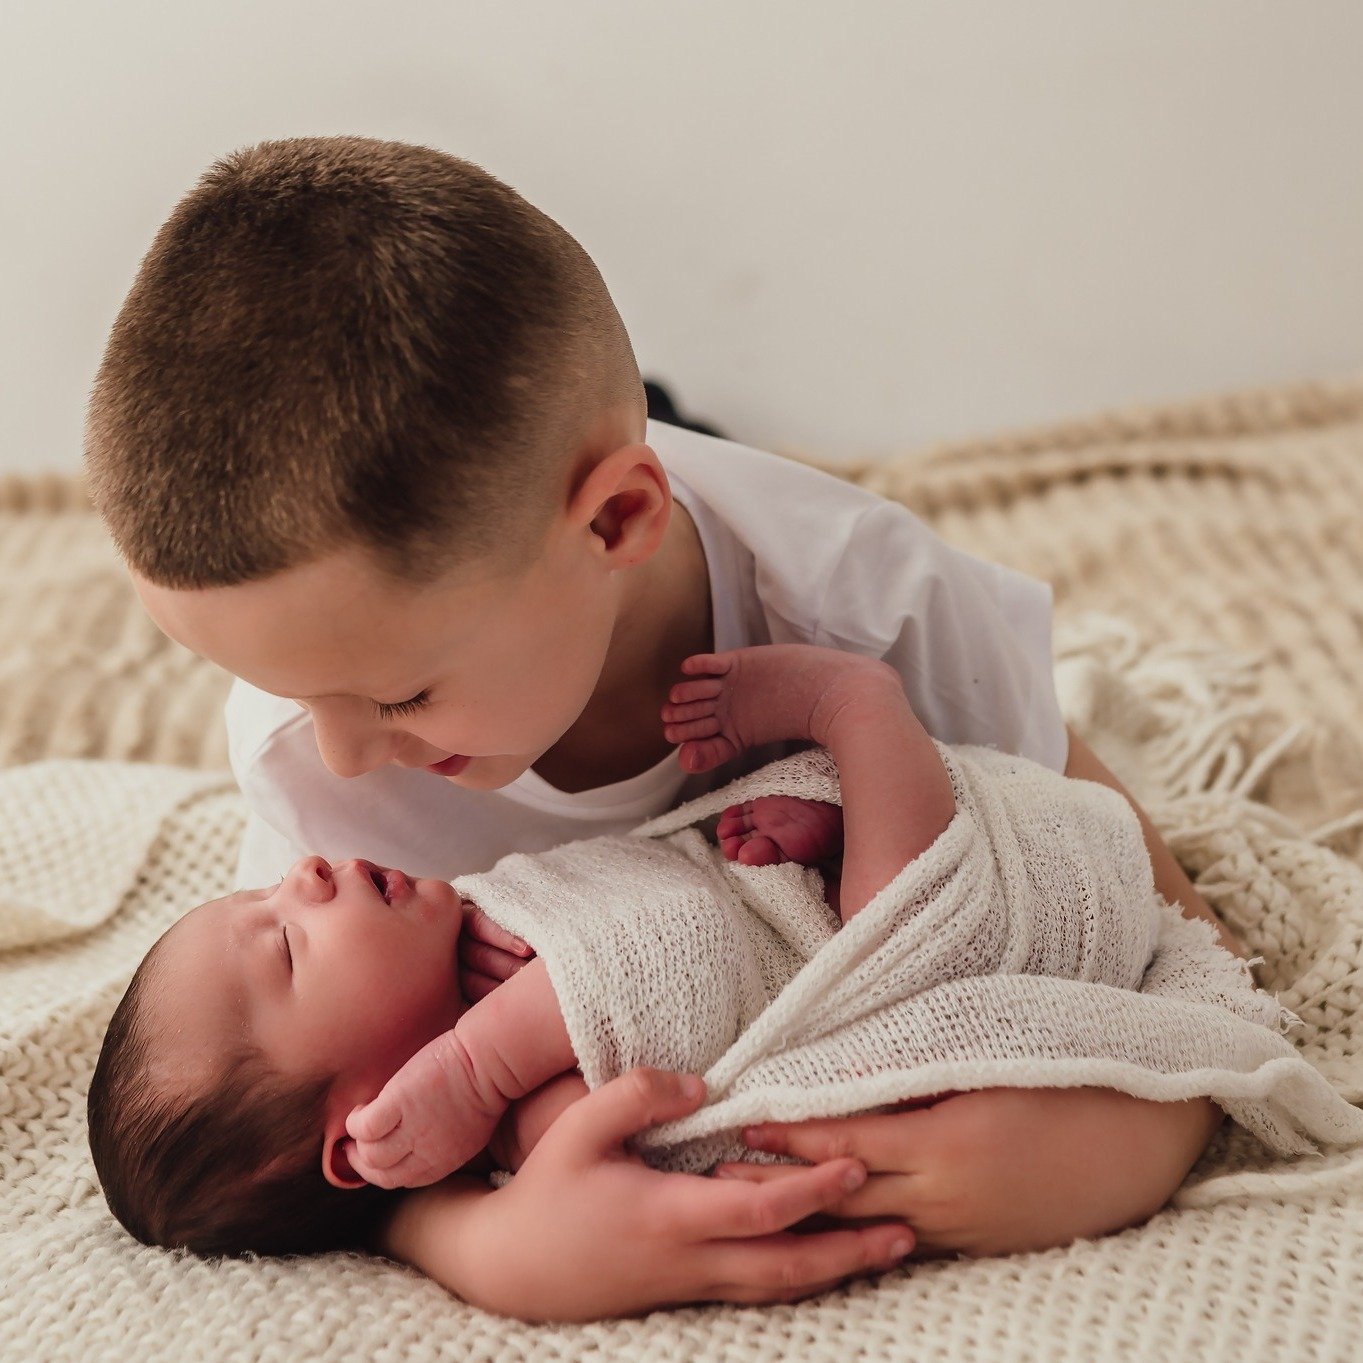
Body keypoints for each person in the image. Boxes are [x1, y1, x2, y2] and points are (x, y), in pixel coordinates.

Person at [83, 135, 1235, 1317]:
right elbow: (322, 1130)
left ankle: (674, 421)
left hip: (688, 521)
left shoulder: (864, 598)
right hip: (584, 522)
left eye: (398, 696)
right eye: (284, 689)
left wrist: (1128, 1139)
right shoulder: (310, 751)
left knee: (638, 432)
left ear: (617, 515)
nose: (335, 756)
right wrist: (485, 1249)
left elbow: (1173, 923)